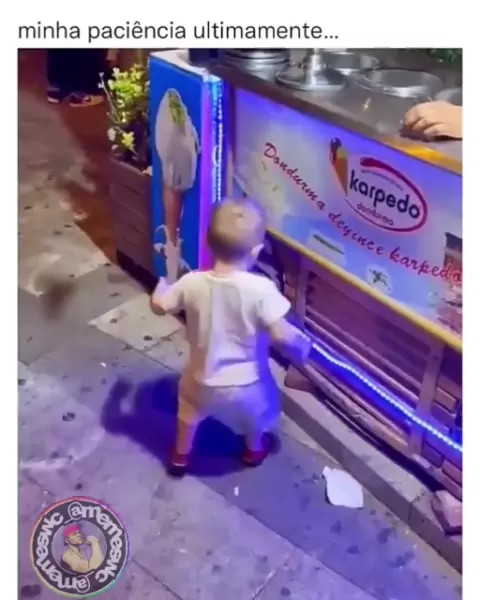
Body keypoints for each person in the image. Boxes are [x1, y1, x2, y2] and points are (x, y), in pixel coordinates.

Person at [151, 197, 312, 476]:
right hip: (247, 383)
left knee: (188, 412)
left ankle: (180, 455)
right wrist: (302, 347)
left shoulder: (192, 282)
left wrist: (160, 288)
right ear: (256, 251)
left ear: (207, 242)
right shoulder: (262, 290)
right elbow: (282, 335)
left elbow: (161, 306)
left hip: (200, 377)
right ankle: (253, 450)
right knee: (255, 418)